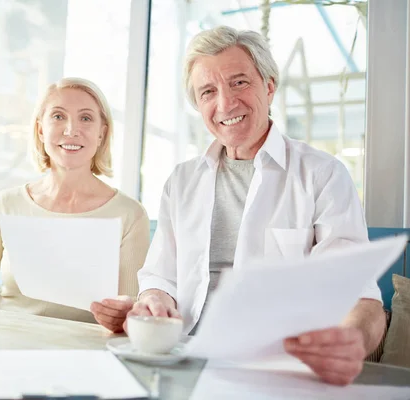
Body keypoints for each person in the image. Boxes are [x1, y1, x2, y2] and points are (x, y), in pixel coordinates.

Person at [125, 26, 386, 386]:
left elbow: (361, 297)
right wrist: (154, 298)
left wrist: (351, 342)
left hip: (275, 370)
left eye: (239, 82)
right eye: (208, 92)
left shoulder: (323, 175)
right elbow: (160, 276)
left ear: (269, 86)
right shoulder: (181, 182)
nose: (226, 103)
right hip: (182, 359)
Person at [0, 77, 149, 333]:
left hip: (87, 353)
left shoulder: (129, 214)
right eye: (58, 116)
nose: (71, 129)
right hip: (7, 342)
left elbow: (130, 305)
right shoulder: (4, 205)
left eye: (86, 118)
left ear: (102, 132)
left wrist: (125, 315)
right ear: (40, 130)